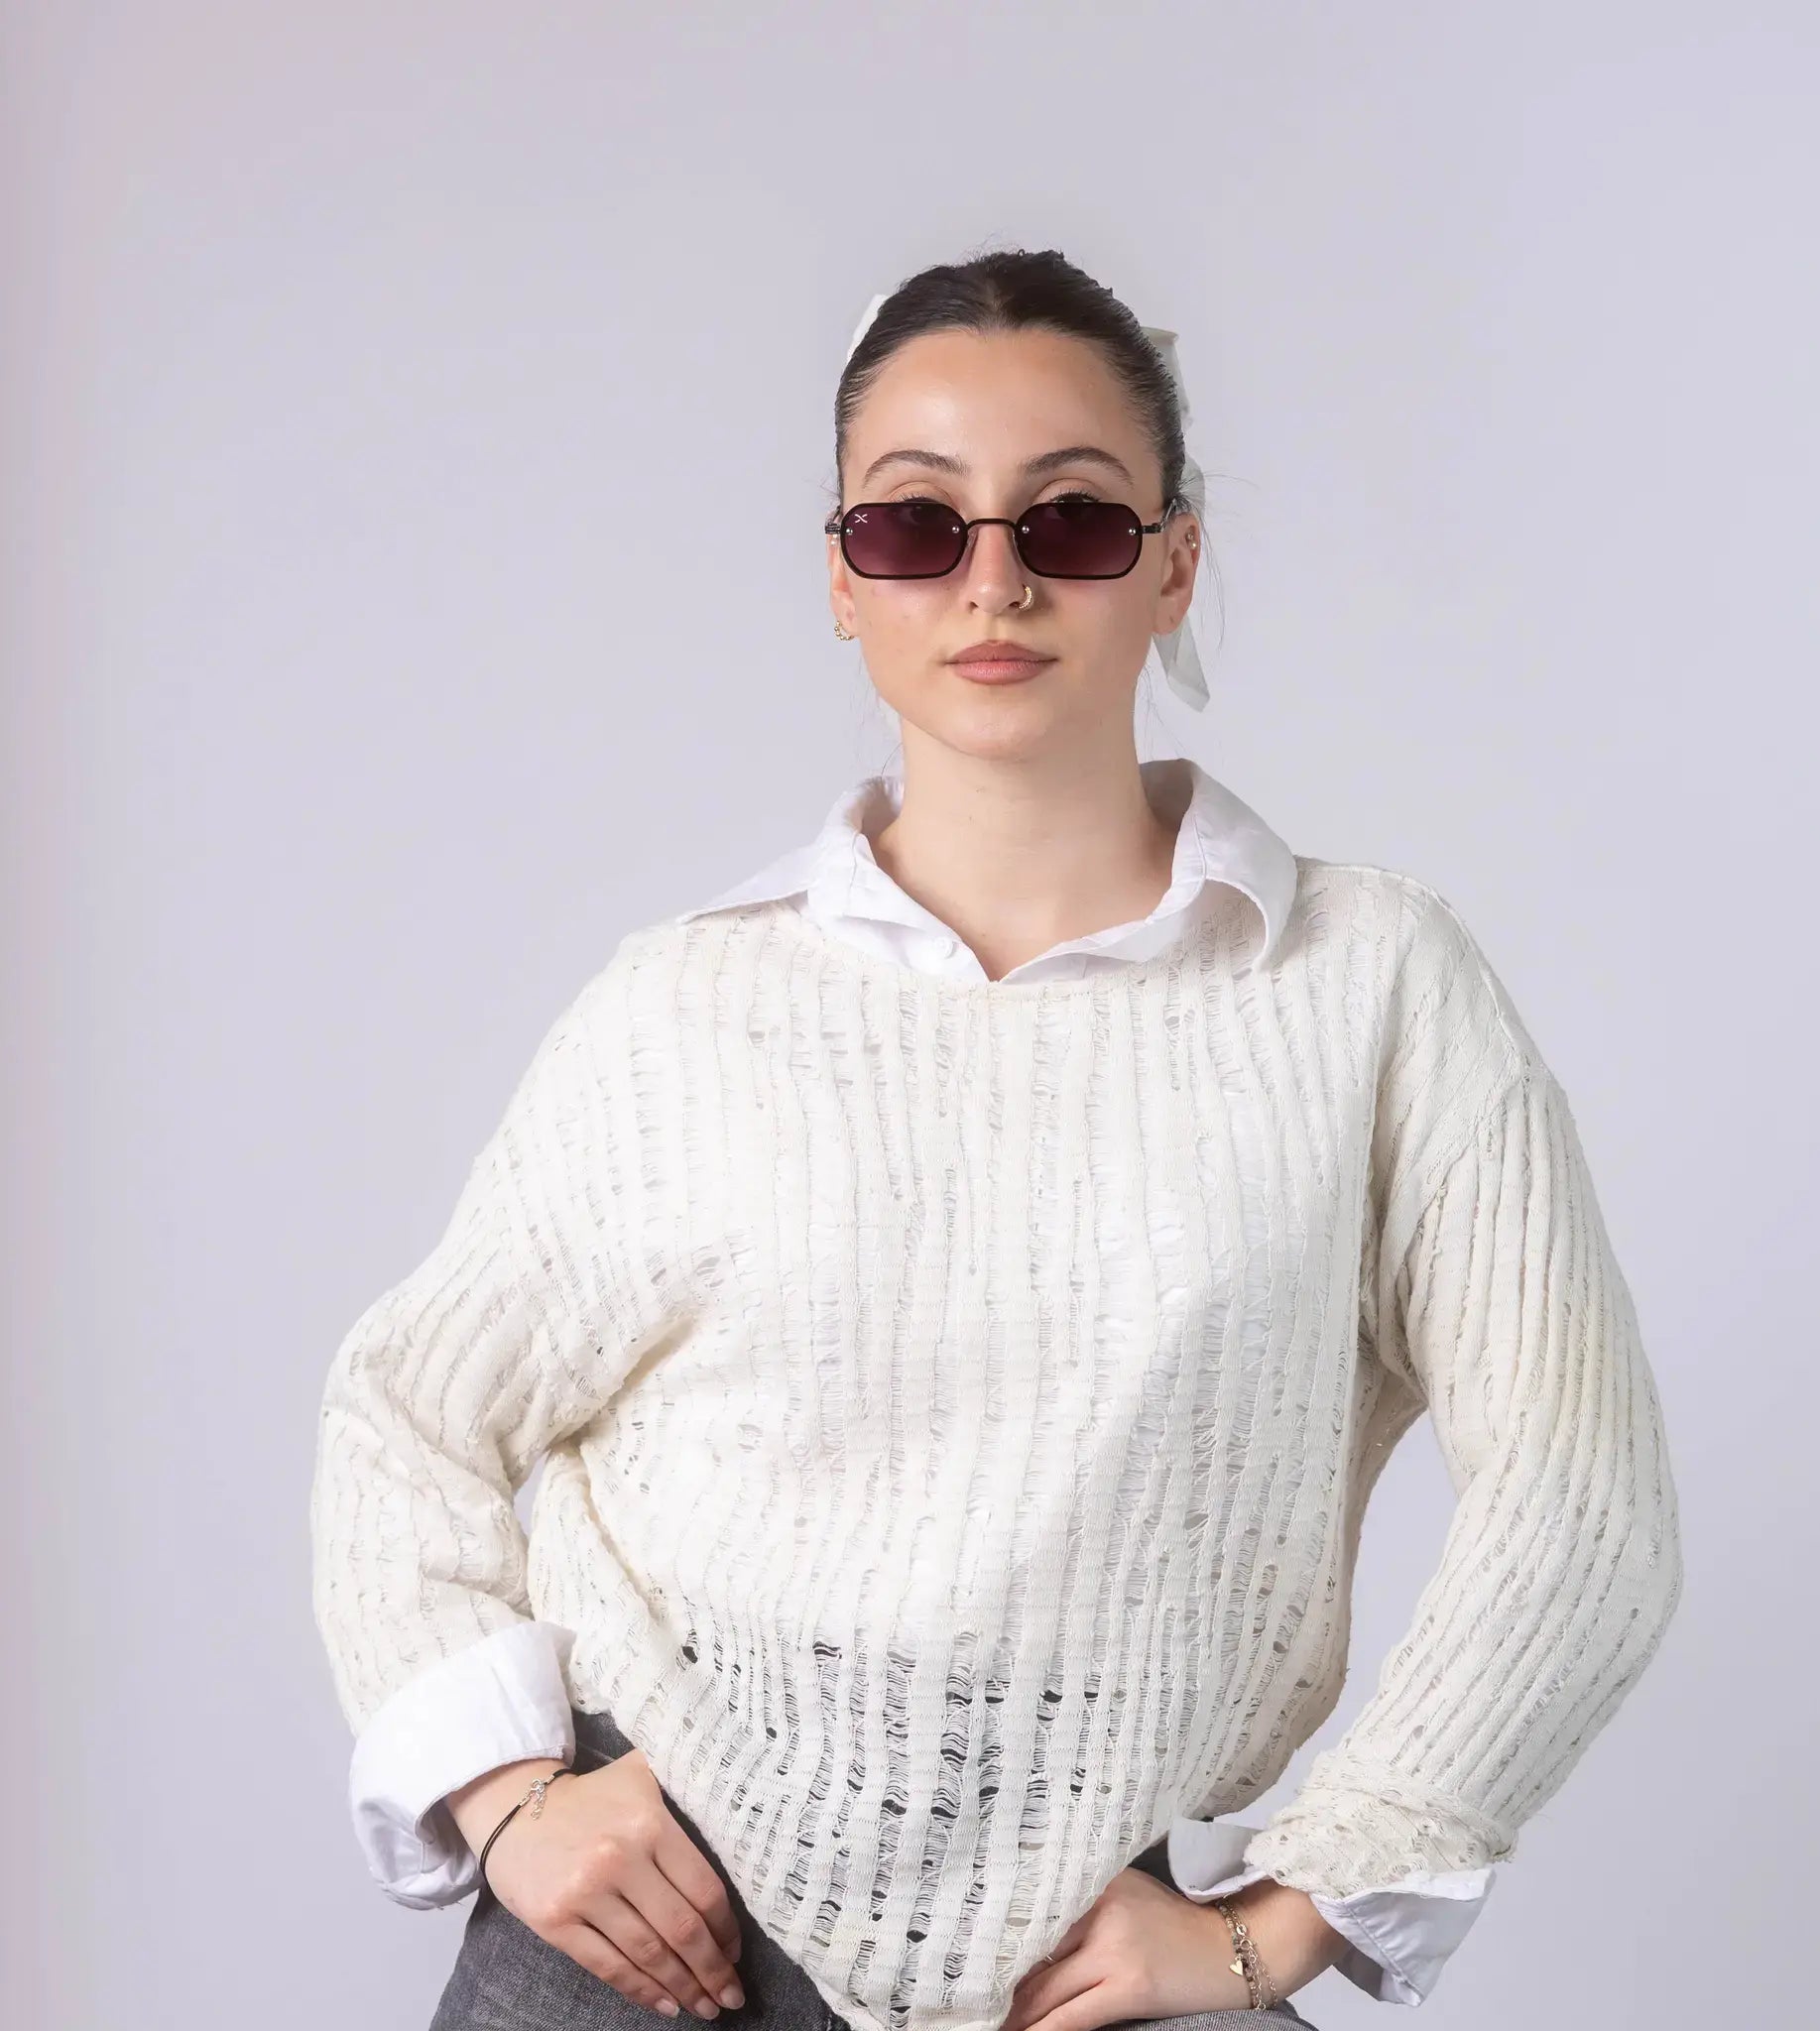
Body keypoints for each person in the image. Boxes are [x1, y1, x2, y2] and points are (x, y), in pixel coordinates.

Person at [310, 247, 1685, 2031]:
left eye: (1075, 523)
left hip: (1100, 1968)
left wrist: (1284, 1918)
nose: (994, 581)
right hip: (649, 1951)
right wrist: (507, 1802)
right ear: (840, 577)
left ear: (1176, 559)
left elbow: (1585, 1503)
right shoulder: (681, 1011)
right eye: (913, 526)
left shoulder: (1374, 991)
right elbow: (403, 1414)